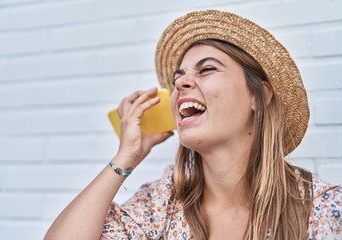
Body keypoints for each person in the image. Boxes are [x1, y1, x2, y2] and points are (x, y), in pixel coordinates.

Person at [44, 10, 342, 240]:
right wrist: (127, 156)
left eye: (207, 69)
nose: (181, 83)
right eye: (178, 78)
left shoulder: (322, 208)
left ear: (259, 95)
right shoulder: (161, 206)